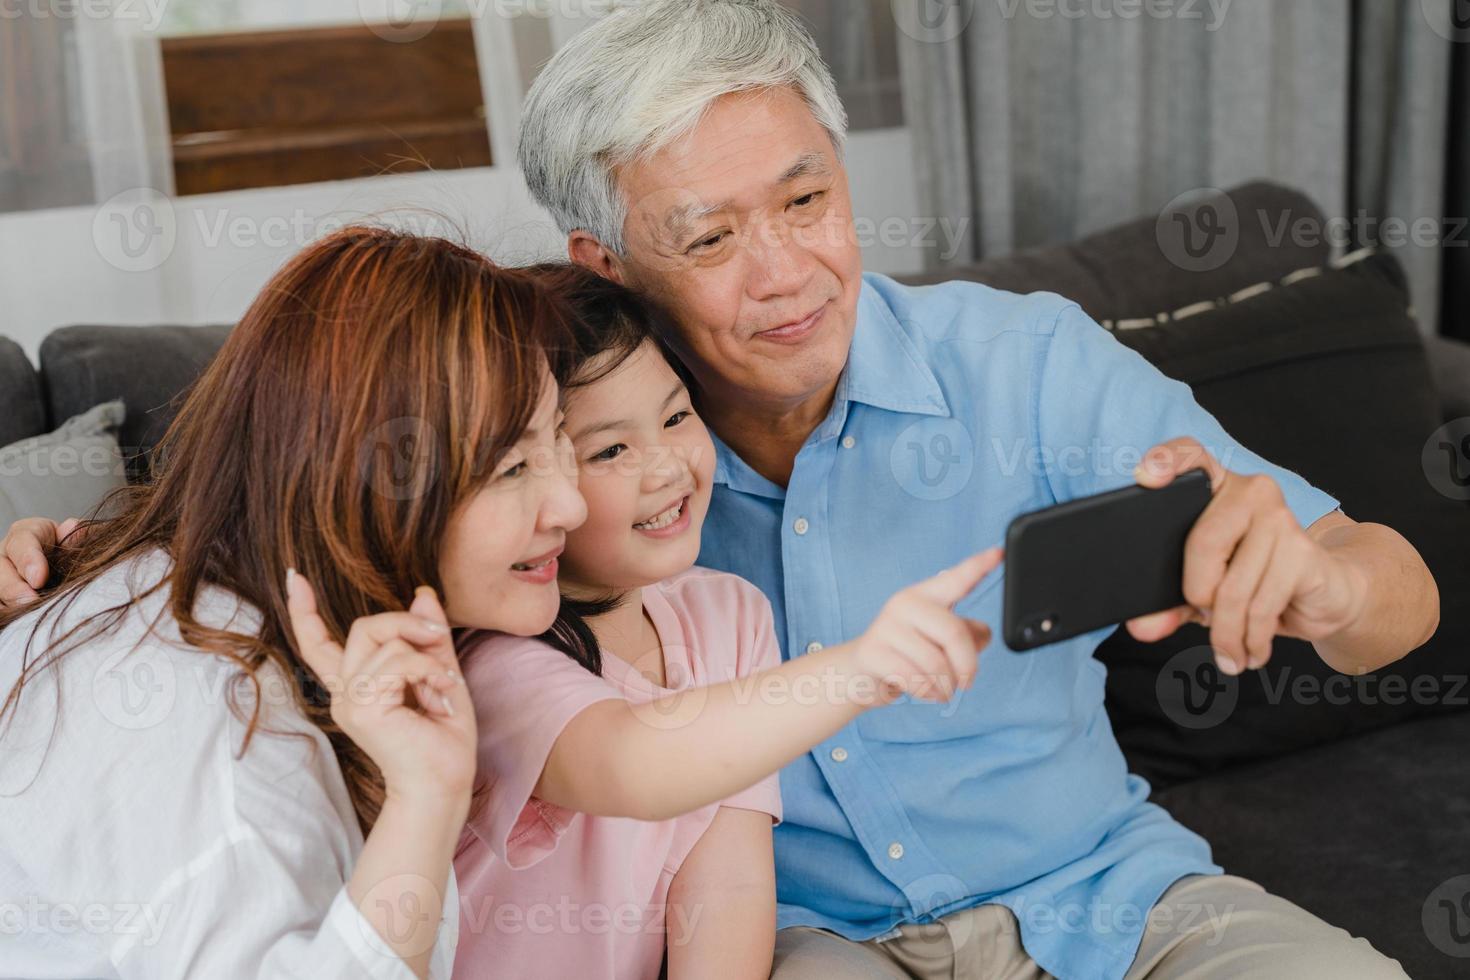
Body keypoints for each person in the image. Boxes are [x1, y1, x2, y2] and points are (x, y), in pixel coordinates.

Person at [510, 2, 1431, 977]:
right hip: (810, 938)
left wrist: (1336, 589)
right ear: (605, 264)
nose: (785, 275)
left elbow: (1397, 595)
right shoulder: (565, 465)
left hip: (1104, 894)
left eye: (805, 201)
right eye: (709, 240)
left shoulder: (1026, 362)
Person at [0, 228, 589, 979]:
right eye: (511, 466)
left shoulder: (224, 600)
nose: (569, 503)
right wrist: (426, 798)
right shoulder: (210, 716)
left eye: (560, 437)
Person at [451, 264, 1001, 979]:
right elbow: (635, 763)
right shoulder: (496, 657)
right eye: (611, 449)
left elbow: (728, 883)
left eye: (677, 416)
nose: (668, 466)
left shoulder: (729, 612)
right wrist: (862, 666)